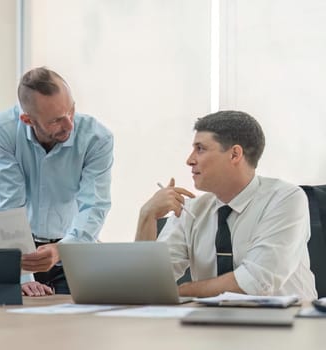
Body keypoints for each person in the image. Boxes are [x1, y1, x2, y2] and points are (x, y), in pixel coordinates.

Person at [136, 110, 317, 299]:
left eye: (200, 149)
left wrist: (178, 293)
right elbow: (145, 285)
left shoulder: (285, 199)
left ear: (234, 154)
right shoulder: (192, 210)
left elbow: (255, 281)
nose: (189, 160)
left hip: (286, 323)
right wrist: (147, 216)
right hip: (210, 324)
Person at [0, 67, 114, 296]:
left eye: (71, 111)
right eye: (56, 120)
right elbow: (10, 205)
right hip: (23, 249)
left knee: (75, 326)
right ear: (27, 120)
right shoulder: (5, 130)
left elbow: (94, 205)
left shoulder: (97, 138)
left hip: (74, 244)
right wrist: (22, 274)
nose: (69, 125)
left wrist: (63, 249)